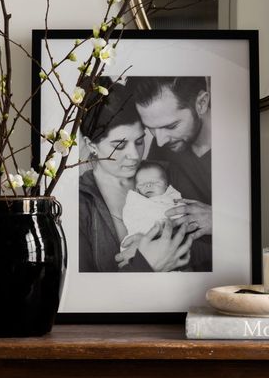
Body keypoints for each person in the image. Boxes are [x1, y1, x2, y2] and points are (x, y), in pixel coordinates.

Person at [78, 80, 192, 273]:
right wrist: (145, 263)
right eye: (119, 145)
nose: (135, 155)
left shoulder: (168, 173)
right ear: (91, 145)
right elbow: (81, 290)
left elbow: (211, 249)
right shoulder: (79, 203)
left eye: (139, 141)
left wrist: (163, 245)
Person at [129, 76, 212, 269]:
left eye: (171, 126)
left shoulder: (241, 148)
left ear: (201, 103)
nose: (160, 141)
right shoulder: (162, 150)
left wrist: (221, 221)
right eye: (151, 128)